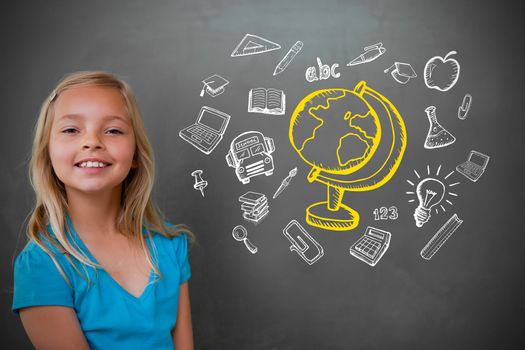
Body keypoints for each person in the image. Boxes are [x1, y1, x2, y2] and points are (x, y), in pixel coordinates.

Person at [12, 71, 194, 349]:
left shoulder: (171, 246)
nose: (92, 141)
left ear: (135, 155)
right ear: (48, 154)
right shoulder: (43, 264)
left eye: (113, 130)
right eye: (71, 130)